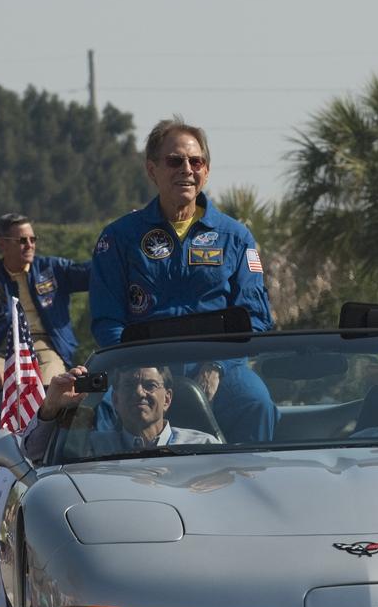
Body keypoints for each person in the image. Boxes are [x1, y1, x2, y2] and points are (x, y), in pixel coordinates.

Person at [89, 117, 277, 442]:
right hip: (143, 367)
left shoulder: (236, 236)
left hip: (221, 365)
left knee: (257, 403)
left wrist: (215, 365)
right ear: (152, 170)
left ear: (206, 169)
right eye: (175, 161)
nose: (186, 169)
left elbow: (256, 317)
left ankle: (252, 486)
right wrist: (140, 370)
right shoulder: (119, 237)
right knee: (99, 414)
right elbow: (107, 320)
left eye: (196, 161)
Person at [0, 214, 90, 389]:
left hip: (46, 346)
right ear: (2, 244)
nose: (30, 245)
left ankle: (44, 418)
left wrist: (113, 245)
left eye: (33, 239)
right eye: (22, 240)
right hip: (3, 351)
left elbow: (89, 273)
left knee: (50, 388)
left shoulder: (52, 269)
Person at [21, 364, 219, 465]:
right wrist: (51, 406)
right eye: (130, 385)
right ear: (115, 400)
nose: (140, 393)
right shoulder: (90, 448)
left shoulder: (205, 447)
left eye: (150, 385)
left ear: (167, 399)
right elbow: (33, 454)